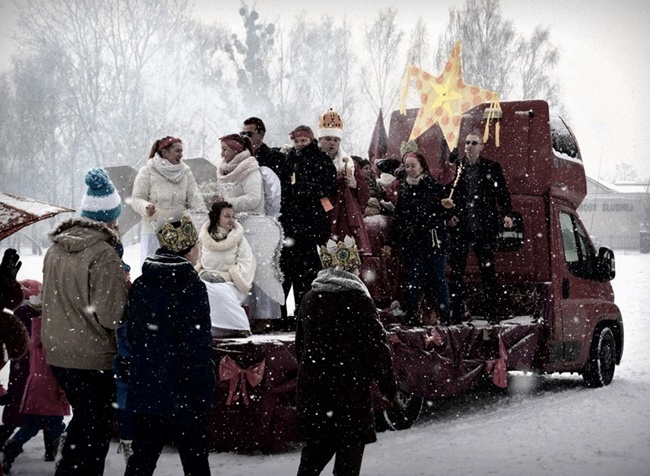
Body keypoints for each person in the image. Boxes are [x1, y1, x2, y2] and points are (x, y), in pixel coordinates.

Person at [41, 167, 129, 475]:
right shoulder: (104, 254)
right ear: (111, 217)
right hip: (90, 357)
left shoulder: (55, 248)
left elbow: (49, 300)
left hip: (58, 351)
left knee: (85, 421)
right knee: (95, 432)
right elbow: (111, 315)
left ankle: (69, 468)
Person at [295, 236, 397, 476]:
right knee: (348, 464)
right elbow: (377, 349)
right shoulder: (360, 300)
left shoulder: (310, 298)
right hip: (349, 394)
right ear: (353, 268)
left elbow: (300, 346)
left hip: (315, 393)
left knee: (312, 459)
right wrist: (389, 386)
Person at [125, 215, 215, 476]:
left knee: (142, 459)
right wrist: (203, 389)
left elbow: (134, 336)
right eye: (196, 245)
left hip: (147, 387)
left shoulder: (141, 285)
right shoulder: (191, 286)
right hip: (184, 390)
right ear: (188, 249)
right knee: (195, 461)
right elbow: (197, 343)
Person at [214, 133, 284, 332]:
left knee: (258, 271)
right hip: (235, 227)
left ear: (236, 150)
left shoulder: (250, 168)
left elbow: (253, 199)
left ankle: (263, 315)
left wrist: (227, 203)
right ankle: (245, 313)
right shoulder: (225, 170)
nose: (222, 153)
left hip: (253, 227)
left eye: (225, 149)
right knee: (241, 270)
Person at [1, 281, 70, 475]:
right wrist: (65, 389)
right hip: (52, 387)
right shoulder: (57, 338)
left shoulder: (34, 333)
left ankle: (11, 448)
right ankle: (59, 456)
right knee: (56, 425)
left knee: (30, 426)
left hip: (33, 385)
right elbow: (60, 367)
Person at [445, 130, 513, 323]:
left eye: (474, 143)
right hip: (461, 227)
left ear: (481, 147)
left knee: (488, 271)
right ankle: (456, 312)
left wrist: (507, 213)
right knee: (457, 272)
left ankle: (493, 312)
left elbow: (503, 193)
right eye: (467, 142)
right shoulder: (456, 167)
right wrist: (450, 215)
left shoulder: (492, 167)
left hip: (484, 226)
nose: (469, 146)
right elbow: (446, 194)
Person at [382, 152, 454, 326]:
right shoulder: (405, 190)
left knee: (438, 280)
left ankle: (445, 316)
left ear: (422, 166)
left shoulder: (433, 186)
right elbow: (399, 218)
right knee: (413, 280)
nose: (410, 170)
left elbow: (444, 213)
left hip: (433, 240)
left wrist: (446, 208)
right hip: (413, 242)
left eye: (413, 166)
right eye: (407, 166)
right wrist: (390, 243)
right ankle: (412, 315)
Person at [278, 125, 337, 330]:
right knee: (287, 271)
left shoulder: (321, 159)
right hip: (292, 224)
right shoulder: (290, 159)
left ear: (311, 140)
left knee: (307, 273)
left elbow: (328, 187)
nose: (300, 145)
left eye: (303, 141)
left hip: (310, 225)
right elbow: (285, 186)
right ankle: (284, 313)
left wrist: (304, 190)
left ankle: (305, 314)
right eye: (297, 142)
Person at [131, 136, 208, 265]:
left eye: (182, 151)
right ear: (165, 152)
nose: (181, 155)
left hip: (180, 233)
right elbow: (136, 199)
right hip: (154, 231)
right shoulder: (147, 171)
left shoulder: (186, 173)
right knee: (154, 272)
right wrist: (146, 207)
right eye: (177, 151)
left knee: (178, 273)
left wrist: (205, 219)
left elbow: (195, 198)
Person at [197, 201, 256, 337]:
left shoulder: (239, 239)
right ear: (217, 217)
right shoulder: (203, 238)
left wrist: (226, 277)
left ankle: (236, 326)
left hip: (230, 283)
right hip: (206, 278)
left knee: (221, 292)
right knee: (201, 290)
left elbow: (247, 263)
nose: (231, 220)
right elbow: (197, 260)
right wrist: (203, 274)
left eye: (232, 216)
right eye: (226, 216)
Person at [318, 108, 371, 254]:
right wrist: (328, 207)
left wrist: (354, 184)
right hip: (323, 215)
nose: (332, 143)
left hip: (345, 217)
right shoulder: (313, 162)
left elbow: (365, 192)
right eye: (328, 139)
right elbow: (316, 191)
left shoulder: (350, 163)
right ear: (319, 140)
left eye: (336, 140)